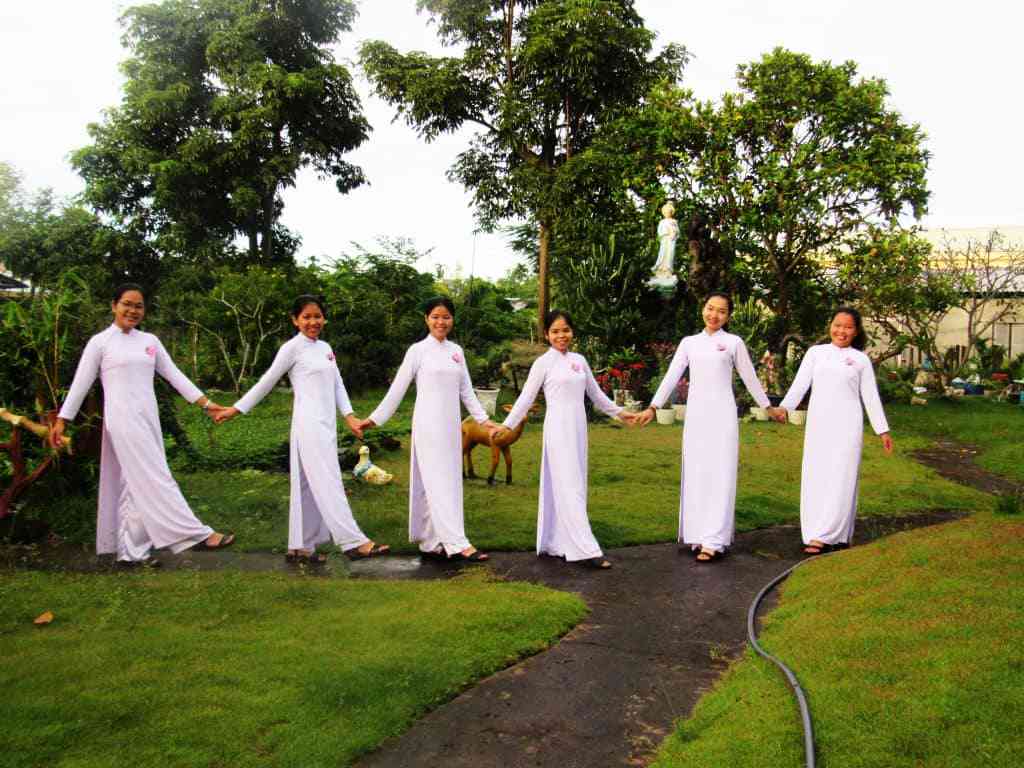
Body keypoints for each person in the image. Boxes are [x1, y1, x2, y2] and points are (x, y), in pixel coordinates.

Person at [50, 283, 235, 565]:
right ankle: (196, 534)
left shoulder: (150, 341)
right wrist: (63, 420)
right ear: (114, 306)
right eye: (127, 304)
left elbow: (175, 376)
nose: (132, 310)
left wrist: (207, 405)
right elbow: (81, 383)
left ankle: (131, 554)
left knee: (133, 483)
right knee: (157, 476)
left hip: (148, 418)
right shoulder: (100, 342)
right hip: (122, 420)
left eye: (138, 306)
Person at [214, 295, 389, 564]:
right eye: (306, 317)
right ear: (295, 320)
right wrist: (237, 409)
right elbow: (267, 381)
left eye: (317, 316)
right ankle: (354, 543)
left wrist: (350, 417)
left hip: (326, 425)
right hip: (308, 426)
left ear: (324, 318)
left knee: (306, 486)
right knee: (330, 483)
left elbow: (337, 384)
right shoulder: (292, 348)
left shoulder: (325, 348)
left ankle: (301, 548)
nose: (313, 322)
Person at [492, 311, 640, 570]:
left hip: (578, 429)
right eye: (555, 331)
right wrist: (507, 425)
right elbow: (526, 398)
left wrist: (620, 413)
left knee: (574, 484)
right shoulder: (543, 363)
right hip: (558, 429)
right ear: (547, 334)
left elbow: (596, 394)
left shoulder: (579, 360)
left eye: (566, 330)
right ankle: (587, 549)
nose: (561, 335)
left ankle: (558, 542)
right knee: (570, 486)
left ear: (572, 332)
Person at [359, 297, 499, 562]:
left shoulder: (456, 351)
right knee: (438, 482)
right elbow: (398, 388)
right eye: (435, 316)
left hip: (450, 426)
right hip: (428, 426)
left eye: (446, 317)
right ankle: (458, 543)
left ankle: (431, 541)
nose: (441, 322)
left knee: (447, 482)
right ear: (426, 319)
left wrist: (483, 420)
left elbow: (466, 391)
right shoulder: (417, 351)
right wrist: (375, 419)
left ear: (452, 319)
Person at [638, 292, 771, 562]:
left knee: (721, 472)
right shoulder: (689, 343)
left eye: (721, 311)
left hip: (723, 415)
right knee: (697, 471)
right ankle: (697, 534)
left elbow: (750, 377)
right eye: (710, 308)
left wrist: (768, 406)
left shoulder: (733, 343)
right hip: (697, 416)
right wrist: (653, 406)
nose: (714, 315)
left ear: (728, 316)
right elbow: (672, 375)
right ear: (703, 309)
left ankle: (715, 540)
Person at [771, 307, 893, 554]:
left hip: (848, 425)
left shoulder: (860, 360)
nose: (841, 331)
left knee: (842, 476)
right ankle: (816, 532)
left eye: (848, 327)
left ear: (856, 331)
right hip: (819, 423)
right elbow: (800, 384)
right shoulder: (816, 353)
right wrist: (784, 407)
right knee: (817, 475)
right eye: (838, 325)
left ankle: (833, 534)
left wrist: (882, 430)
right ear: (830, 326)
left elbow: (870, 397)